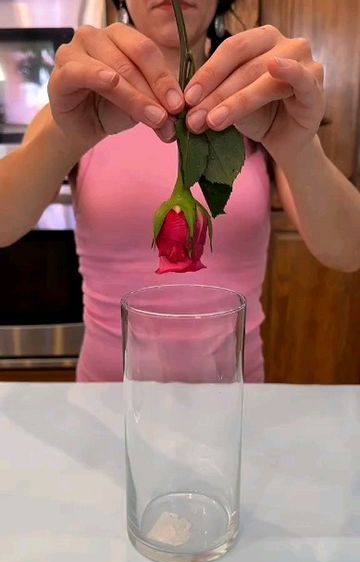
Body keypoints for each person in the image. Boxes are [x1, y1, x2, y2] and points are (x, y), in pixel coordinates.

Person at [0, 0, 359, 382]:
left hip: (233, 400)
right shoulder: (79, 101)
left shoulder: (264, 99)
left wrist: (298, 147)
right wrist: (65, 135)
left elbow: (348, 250)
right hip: (108, 404)